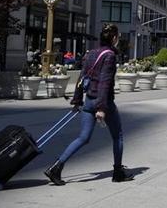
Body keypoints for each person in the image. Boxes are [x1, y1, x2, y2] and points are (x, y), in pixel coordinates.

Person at [44, 23, 134, 186]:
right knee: (117, 136)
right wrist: (101, 108)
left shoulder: (91, 54)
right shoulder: (110, 56)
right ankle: (118, 172)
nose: (118, 40)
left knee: (83, 138)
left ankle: (56, 167)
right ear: (114, 38)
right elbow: (105, 83)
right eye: (118, 37)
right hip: (103, 102)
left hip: (88, 101)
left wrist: (77, 100)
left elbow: (81, 78)